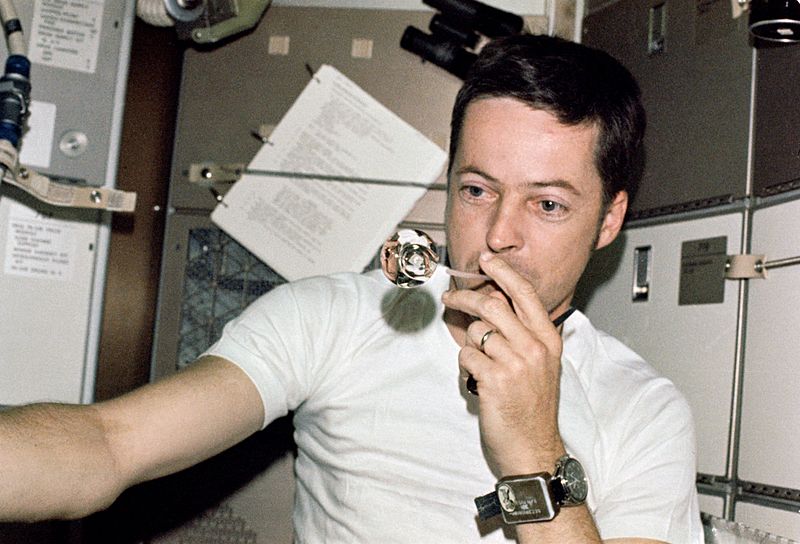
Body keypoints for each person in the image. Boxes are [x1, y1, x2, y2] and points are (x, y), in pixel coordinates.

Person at [0, 34, 702, 542]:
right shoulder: (336, 317)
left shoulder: (644, 411)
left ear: (610, 220)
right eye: (477, 189)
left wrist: (532, 450)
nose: (498, 235)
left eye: (547, 204)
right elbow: (109, 444)